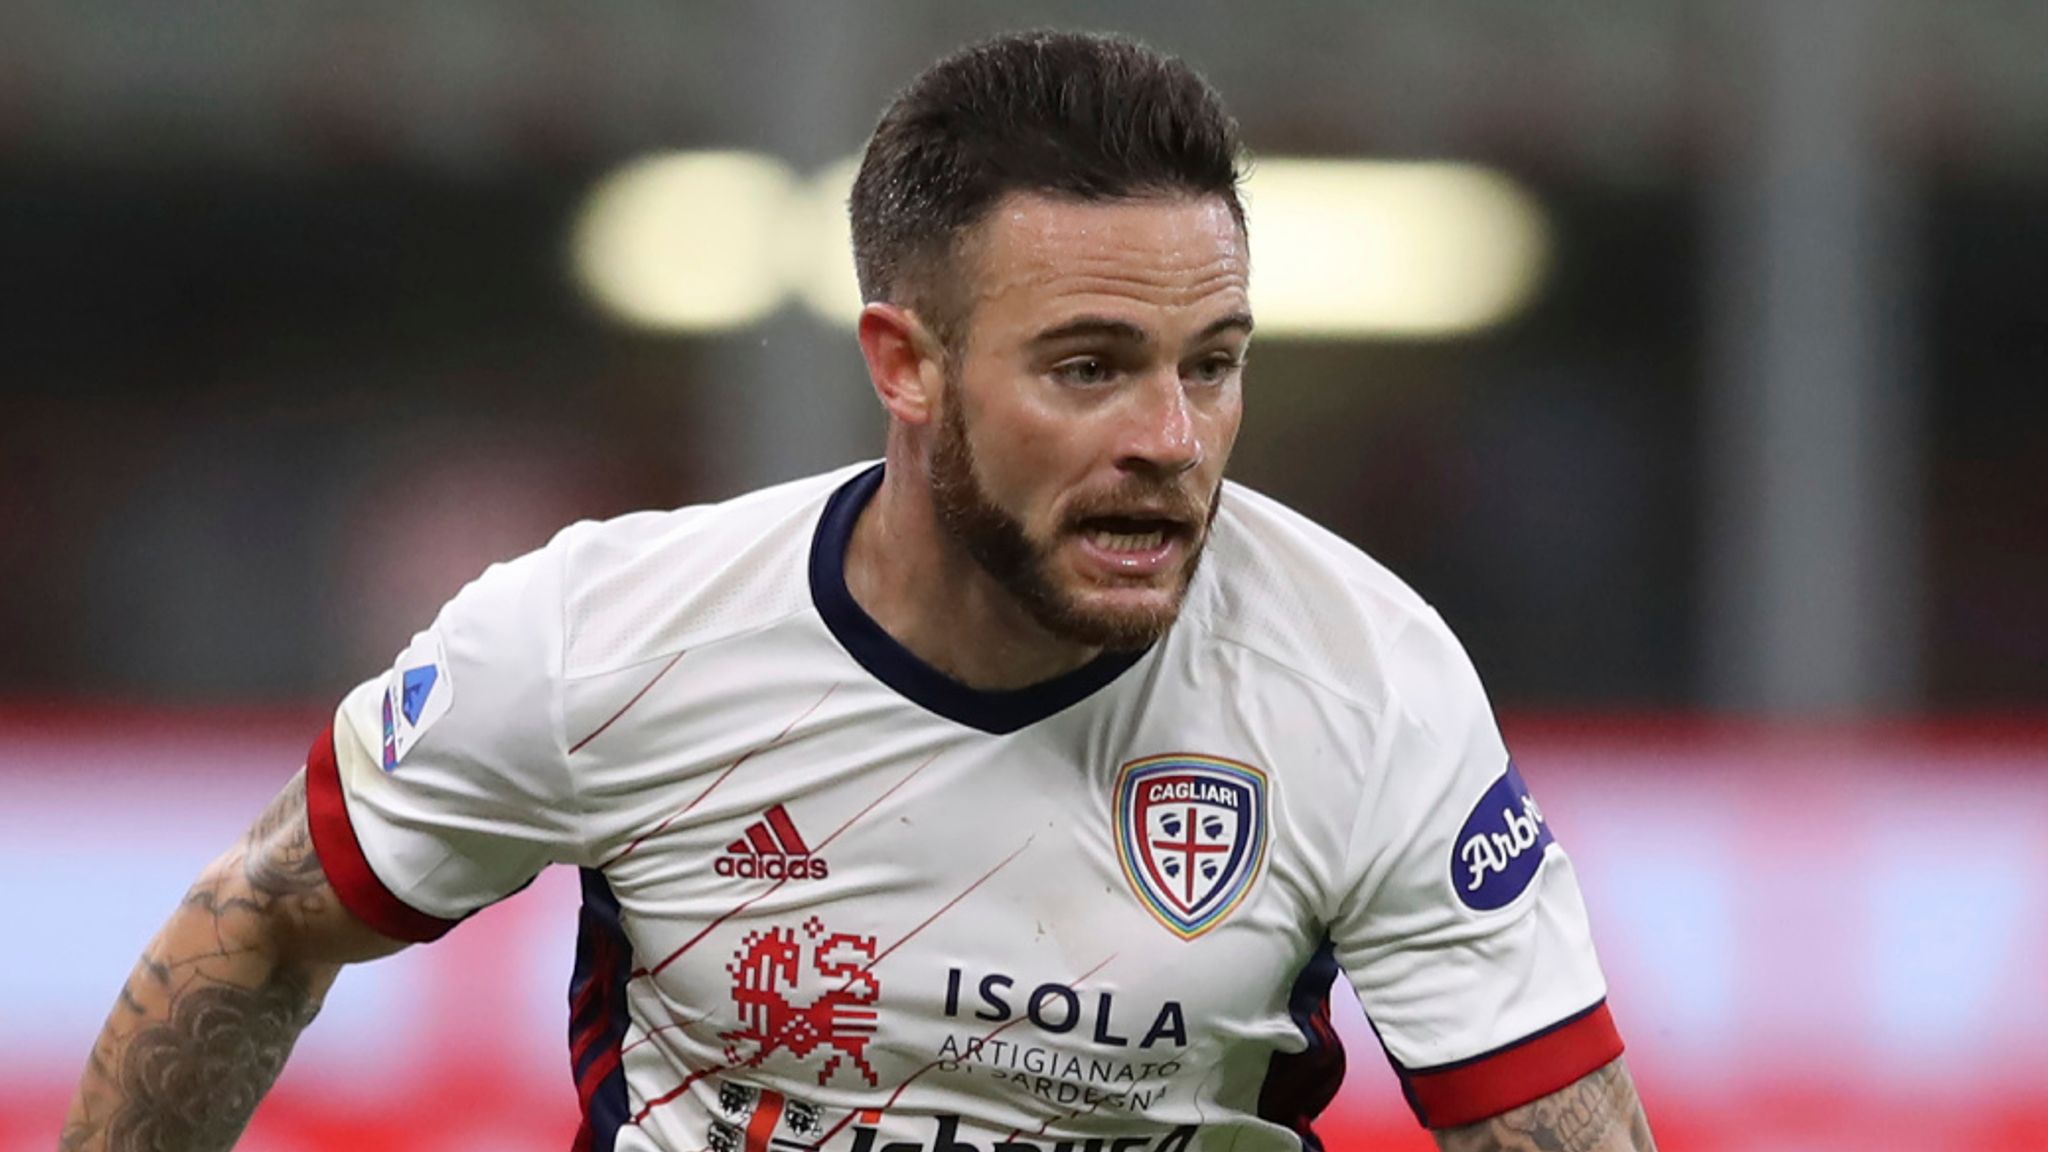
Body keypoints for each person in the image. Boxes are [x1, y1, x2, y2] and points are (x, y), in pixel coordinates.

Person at [61, 29, 1656, 1152]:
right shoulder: (609, 638)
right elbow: (262, 923)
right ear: (907, 362)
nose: (1172, 441)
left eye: (1213, 366)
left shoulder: (1363, 680)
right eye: (1090, 369)